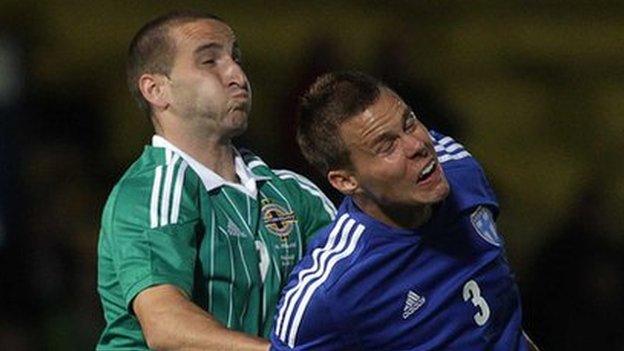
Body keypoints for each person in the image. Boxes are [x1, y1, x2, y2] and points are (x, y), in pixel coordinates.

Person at [96, 11, 335, 351]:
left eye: (236, 59)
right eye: (210, 61)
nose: (237, 74)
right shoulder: (151, 191)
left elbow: (364, 284)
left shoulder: (294, 193)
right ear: (156, 89)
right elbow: (167, 326)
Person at [270, 71, 540, 350]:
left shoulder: (459, 167)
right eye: (387, 146)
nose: (418, 146)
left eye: (409, 123)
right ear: (346, 181)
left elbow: (502, 315)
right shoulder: (332, 289)